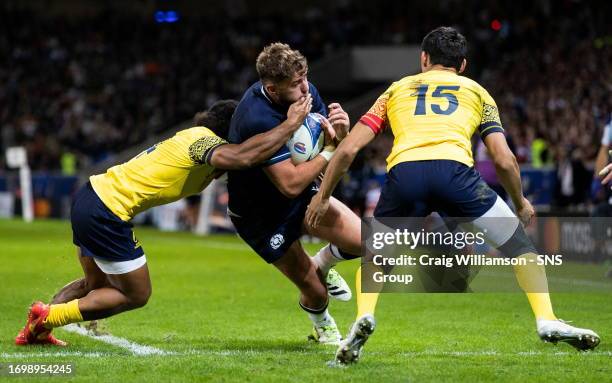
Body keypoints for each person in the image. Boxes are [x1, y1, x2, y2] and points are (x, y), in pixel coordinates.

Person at [306, 26, 601, 363]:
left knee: (379, 257)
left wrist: (325, 195)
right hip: (455, 174)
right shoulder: (478, 92)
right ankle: (546, 318)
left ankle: (364, 316)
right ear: (461, 65)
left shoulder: (395, 90)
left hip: (406, 175)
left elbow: (348, 150)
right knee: (519, 246)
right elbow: (503, 159)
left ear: (423, 59)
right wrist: (519, 201)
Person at [15, 99, 312, 346]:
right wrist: (290, 126)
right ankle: (49, 317)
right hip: (106, 210)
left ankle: (38, 328)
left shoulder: (198, 144)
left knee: (95, 284)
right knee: (136, 294)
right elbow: (242, 157)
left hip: (92, 196)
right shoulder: (202, 141)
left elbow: (250, 161)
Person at [227, 43, 362, 345]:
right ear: (273, 90)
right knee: (315, 292)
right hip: (260, 215)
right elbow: (289, 183)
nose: (305, 89)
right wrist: (330, 150)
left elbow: (327, 151)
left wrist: (340, 137)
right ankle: (323, 324)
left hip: (301, 195)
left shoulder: (307, 92)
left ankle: (324, 263)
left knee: (366, 242)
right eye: (296, 84)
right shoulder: (256, 119)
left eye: (305, 78)